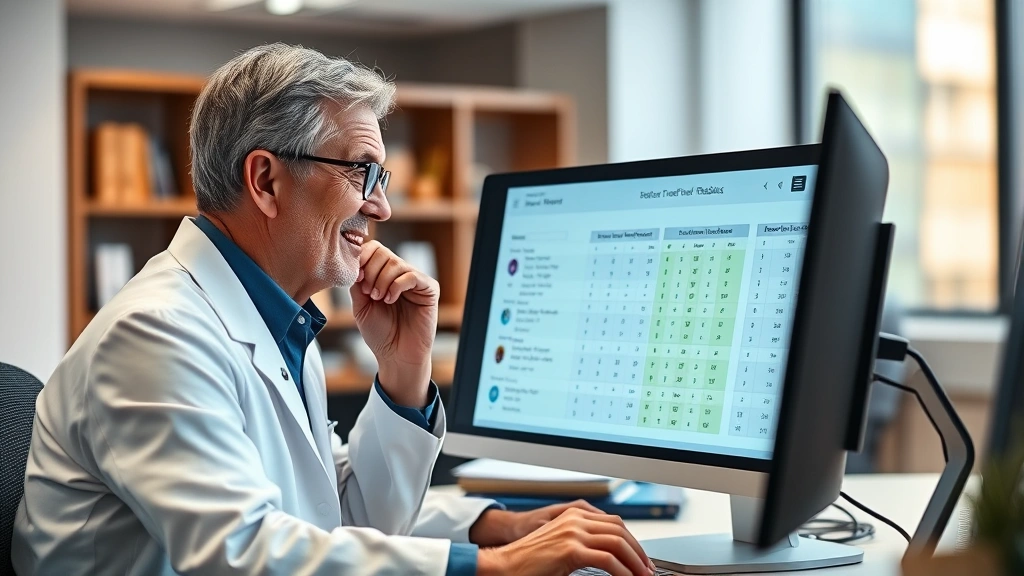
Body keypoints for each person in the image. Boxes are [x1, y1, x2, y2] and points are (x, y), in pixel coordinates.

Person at [11, 44, 654, 576]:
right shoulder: (156, 333)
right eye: (361, 172)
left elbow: (330, 512)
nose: (382, 207)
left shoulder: (276, 316)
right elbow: (242, 552)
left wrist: (408, 381)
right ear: (266, 181)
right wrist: (495, 566)